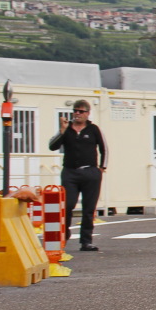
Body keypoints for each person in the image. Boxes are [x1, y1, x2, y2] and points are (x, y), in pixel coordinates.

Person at [49, 99, 108, 252]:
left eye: (81, 111)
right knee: (67, 205)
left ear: (87, 114)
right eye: (75, 110)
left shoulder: (94, 129)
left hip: (90, 172)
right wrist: (61, 130)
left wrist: (101, 168)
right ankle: (65, 233)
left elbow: (104, 149)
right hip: (70, 172)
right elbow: (52, 146)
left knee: (89, 208)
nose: (77, 114)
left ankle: (86, 241)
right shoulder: (67, 129)